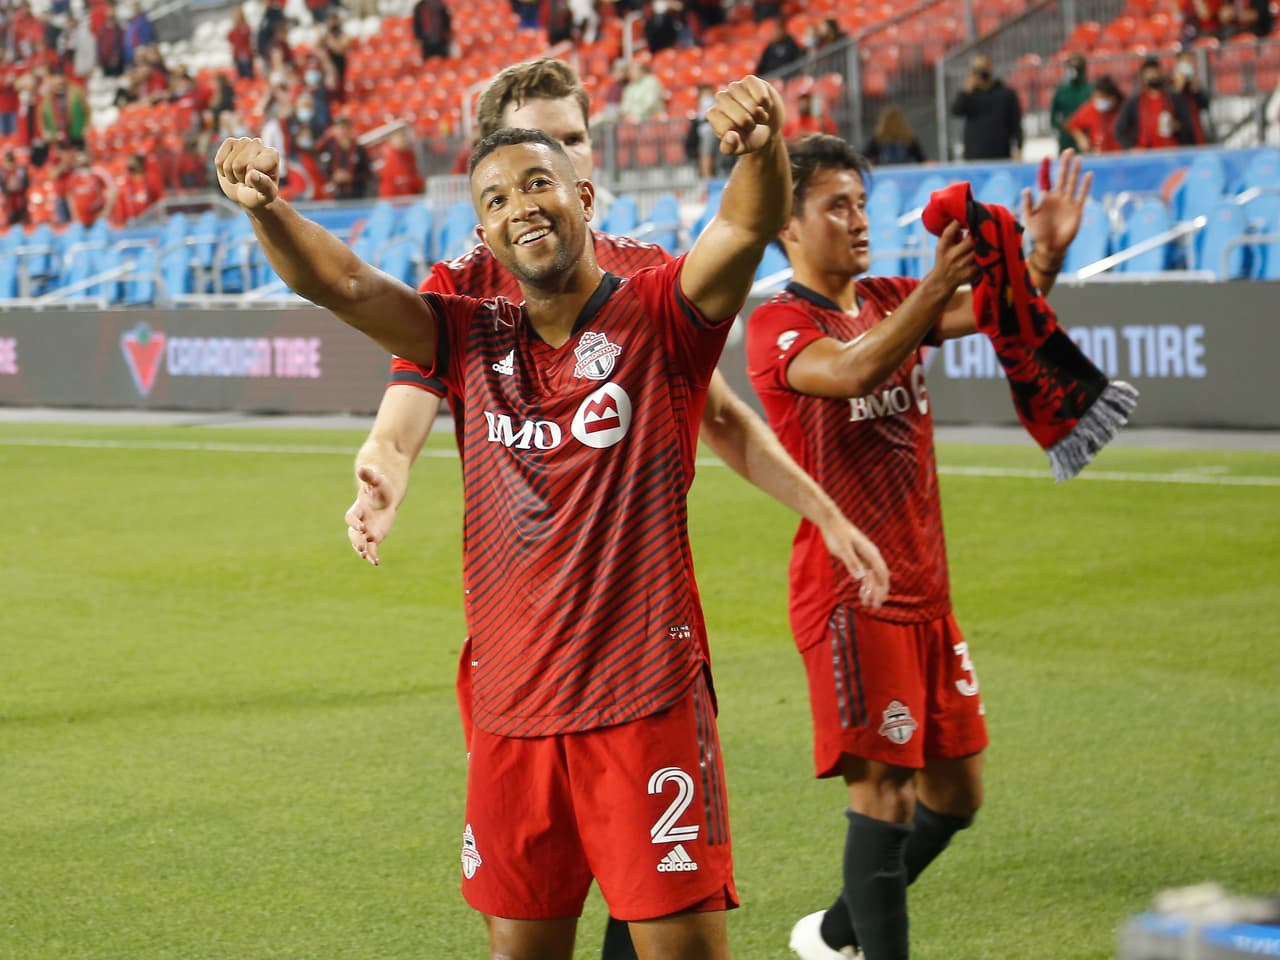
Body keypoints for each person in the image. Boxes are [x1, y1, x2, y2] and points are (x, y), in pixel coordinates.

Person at [216, 73, 800, 960]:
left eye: (538, 184)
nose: (521, 208)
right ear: (482, 231)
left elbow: (747, 227)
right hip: (511, 713)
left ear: (583, 196)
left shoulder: (659, 317)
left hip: (642, 703)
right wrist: (265, 207)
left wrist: (760, 147)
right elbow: (338, 283)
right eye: (496, 198)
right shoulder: (466, 333)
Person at [345, 56, 887, 960]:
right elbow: (404, 399)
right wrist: (384, 467)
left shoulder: (644, 280)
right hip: (521, 671)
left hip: (638, 649)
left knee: (655, 909)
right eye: (538, 142)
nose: (562, 154)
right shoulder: (463, 285)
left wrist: (823, 510)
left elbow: (722, 417)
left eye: (572, 139)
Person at [744, 135, 1091, 960]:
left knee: (958, 793)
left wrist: (1041, 256)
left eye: (862, 204)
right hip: (850, 596)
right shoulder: (778, 325)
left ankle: (834, 935)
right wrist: (935, 286)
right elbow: (855, 372)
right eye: (837, 205)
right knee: (886, 791)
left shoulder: (888, 298)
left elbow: (1000, 309)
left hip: (928, 592)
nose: (859, 221)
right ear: (786, 227)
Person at [950, 54, 1023, 160]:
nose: (981, 72)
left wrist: (1019, 148)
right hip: (974, 156)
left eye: (983, 68)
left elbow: (1016, 123)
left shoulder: (1006, 94)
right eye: (977, 69)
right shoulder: (969, 95)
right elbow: (956, 111)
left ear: (990, 68)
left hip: (1001, 155)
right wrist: (966, 90)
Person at [1115, 57, 1194, 150]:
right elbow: (1119, 130)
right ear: (1143, 77)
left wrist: (1177, 126)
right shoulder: (1134, 101)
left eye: (1155, 72)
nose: (1153, 76)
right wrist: (1132, 148)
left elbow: (1188, 125)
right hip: (1146, 153)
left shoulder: (1174, 98)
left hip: (1172, 151)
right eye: (1149, 74)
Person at [1066, 74, 1123, 154]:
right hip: (1099, 156)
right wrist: (1080, 138)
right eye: (1096, 97)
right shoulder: (1091, 108)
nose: (1098, 101)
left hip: (1121, 156)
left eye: (1102, 97)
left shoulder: (1124, 109)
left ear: (1113, 98)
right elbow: (1072, 124)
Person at [1050, 53, 1092, 155]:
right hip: (1066, 142)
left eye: (1077, 68)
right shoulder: (1061, 91)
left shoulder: (1091, 90)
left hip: (1087, 141)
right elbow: (1053, 118)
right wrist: (1064, 125)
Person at [860, 106, 925, 165]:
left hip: (883, 173)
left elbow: (863, 158)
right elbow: (922, 159)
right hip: (904, 172)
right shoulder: (909, 139)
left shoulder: (877, 139)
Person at [1171, 51, 1210, 145]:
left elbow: (1205, 105)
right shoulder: (1170, 90)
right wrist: (1178, 86)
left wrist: (1195, 87)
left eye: (1189, 62)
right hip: (1181, 141)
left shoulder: (1194, 89)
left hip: (1197, 137)